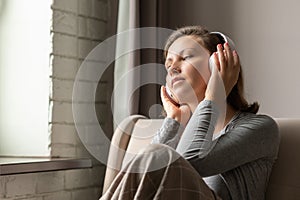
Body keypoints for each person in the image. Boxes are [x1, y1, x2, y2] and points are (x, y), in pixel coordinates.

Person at [101, 26, 280, 200]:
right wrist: (174, 120)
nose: (172, 68)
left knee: (159, 155)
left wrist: (214, 95)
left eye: (185, 57)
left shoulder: (261, 128)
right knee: (156, 155)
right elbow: (134, 182)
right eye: (168, 64)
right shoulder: (177, 133)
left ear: (217, 64)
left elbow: (190, 162)